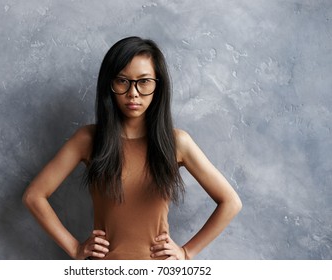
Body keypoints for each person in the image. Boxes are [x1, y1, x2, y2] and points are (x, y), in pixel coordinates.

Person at [22, 36, 242, 260]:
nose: (133, 93)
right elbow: (34, 195)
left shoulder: (177, 142)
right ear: (110, 84)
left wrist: (186, 252)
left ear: (158, 84)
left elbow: (231, 202)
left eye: (144, 81)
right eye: (122, 81)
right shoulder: (88, 139)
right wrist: (75, 248)